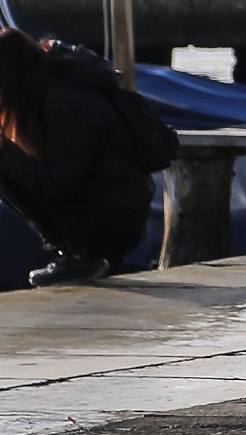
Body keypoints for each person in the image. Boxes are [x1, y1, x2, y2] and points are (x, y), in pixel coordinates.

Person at [0, 29, 155, 287]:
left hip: (116, 222)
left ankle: (77, 256)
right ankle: (72, 254)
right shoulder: (51, 93)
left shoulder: (69, 104)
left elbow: (59, 183)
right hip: (106, 209)